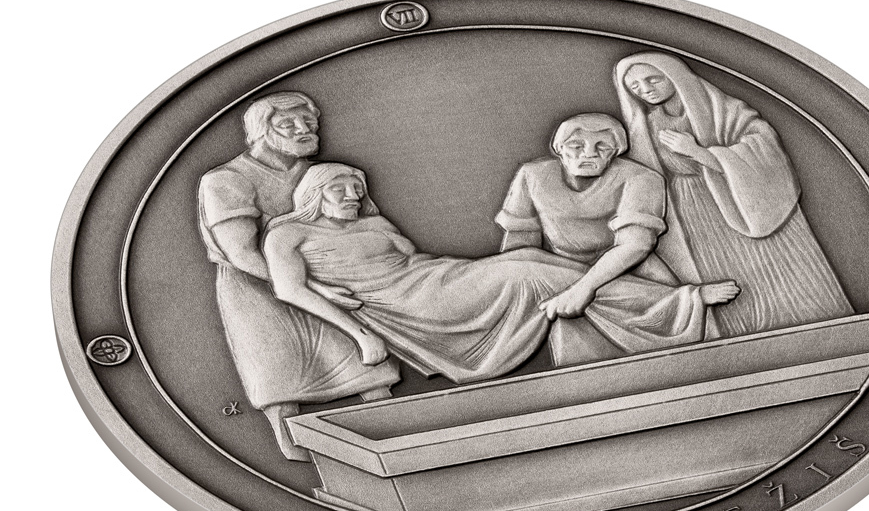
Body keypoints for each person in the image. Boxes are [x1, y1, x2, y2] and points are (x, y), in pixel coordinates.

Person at [262, 163, 724, 382]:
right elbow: (289, 290)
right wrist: (360, 333)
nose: (351, 196)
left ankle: (667, 302)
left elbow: (413, 259)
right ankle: (680, 304)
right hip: (410, 303)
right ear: (314, 194)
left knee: (538, 262)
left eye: (356, 188)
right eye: (338, 190)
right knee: (530, 277)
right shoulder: (287, 234)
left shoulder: (374, 223)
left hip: (438, 277)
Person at [198, 92, 399, 461]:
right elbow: (241, 253)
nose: (303, 130)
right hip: (257, 289)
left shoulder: (317, 174)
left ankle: (394, 428)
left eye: (309, 122)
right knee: (280, 370)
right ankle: (294, 452)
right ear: (260, 132)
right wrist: (310, 287)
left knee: (364, 363)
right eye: (288, 124)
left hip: (327, 278)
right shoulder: (227, 180)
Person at [614, 52, 853, 337]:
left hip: (742, 199)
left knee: (778, 271)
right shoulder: (646, 125)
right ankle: (752, 342)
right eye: (635, 87)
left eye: (653, 79)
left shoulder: (721, 109)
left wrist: (697, 152)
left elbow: (763, 148)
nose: (646, 90)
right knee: (727, 274)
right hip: (693, 212)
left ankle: (823, 333)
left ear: (675, 75)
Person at [497, 113, 738, 362]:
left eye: (602, 147)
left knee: (675, 356)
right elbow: (520, 249)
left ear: (615, 152)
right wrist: (519, 288)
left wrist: (583, 289)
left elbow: (636, 245)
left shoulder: (641, 178)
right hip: (559, 269)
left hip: (632, 268)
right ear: (559, 149)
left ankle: (684, 301)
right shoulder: (532, 176)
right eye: (576, 146)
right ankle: (687, 299)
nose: (589, 154)